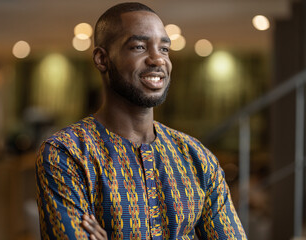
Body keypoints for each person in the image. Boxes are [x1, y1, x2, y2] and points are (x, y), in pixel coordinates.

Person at [36, 2, 247, 240]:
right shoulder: (66, 153)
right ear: (102, 59)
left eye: (165, 49)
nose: (158, 59)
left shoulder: (197, 157)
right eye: (138, 47)